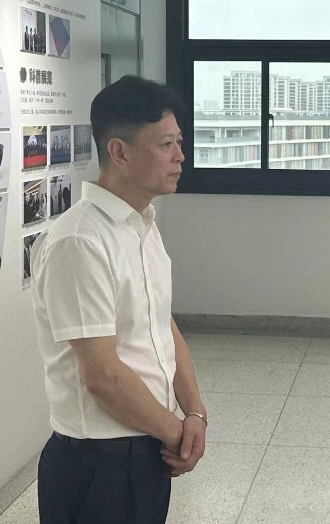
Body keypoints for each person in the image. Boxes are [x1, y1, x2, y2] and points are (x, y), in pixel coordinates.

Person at [31, 76, 208, 524]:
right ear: (120, 152)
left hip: (147, 446)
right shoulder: (79, 241)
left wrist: (195, 413)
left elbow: (161, 324)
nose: (179, 156)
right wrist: (178, 434)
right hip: (99, 464)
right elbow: (103, 376)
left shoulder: (143, 224)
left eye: (179, 142)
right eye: (166, 144)